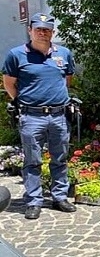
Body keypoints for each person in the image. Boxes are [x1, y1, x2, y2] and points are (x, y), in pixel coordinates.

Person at [2, 13, 77, 219]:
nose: (42, 33)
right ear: (30, 30)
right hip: (32, 116)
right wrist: (23, 101)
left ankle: (60, 197)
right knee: (32, 160)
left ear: (52, 32)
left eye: (47, 29)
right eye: (38, 29)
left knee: (60, 158)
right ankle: (33, 200)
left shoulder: (64, 53)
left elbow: (66, 80)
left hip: (59, 116)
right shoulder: (16, 55)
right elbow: (9, 82)